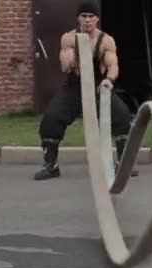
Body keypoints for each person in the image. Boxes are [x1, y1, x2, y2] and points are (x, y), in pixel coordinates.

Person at [34, 1, 137, 180]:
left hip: (99, 85)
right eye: (84, 16)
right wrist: (72, 58)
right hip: (74, 86)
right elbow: (65, 66)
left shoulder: (106, 40)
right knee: (50, 120)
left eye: (91, 17)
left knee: (122, 116)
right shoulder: (68, 38)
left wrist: (109, 80)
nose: (88, 20)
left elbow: (113, 64)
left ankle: (123, 164)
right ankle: (51, 165)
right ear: (78, 19)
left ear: (97, 18)